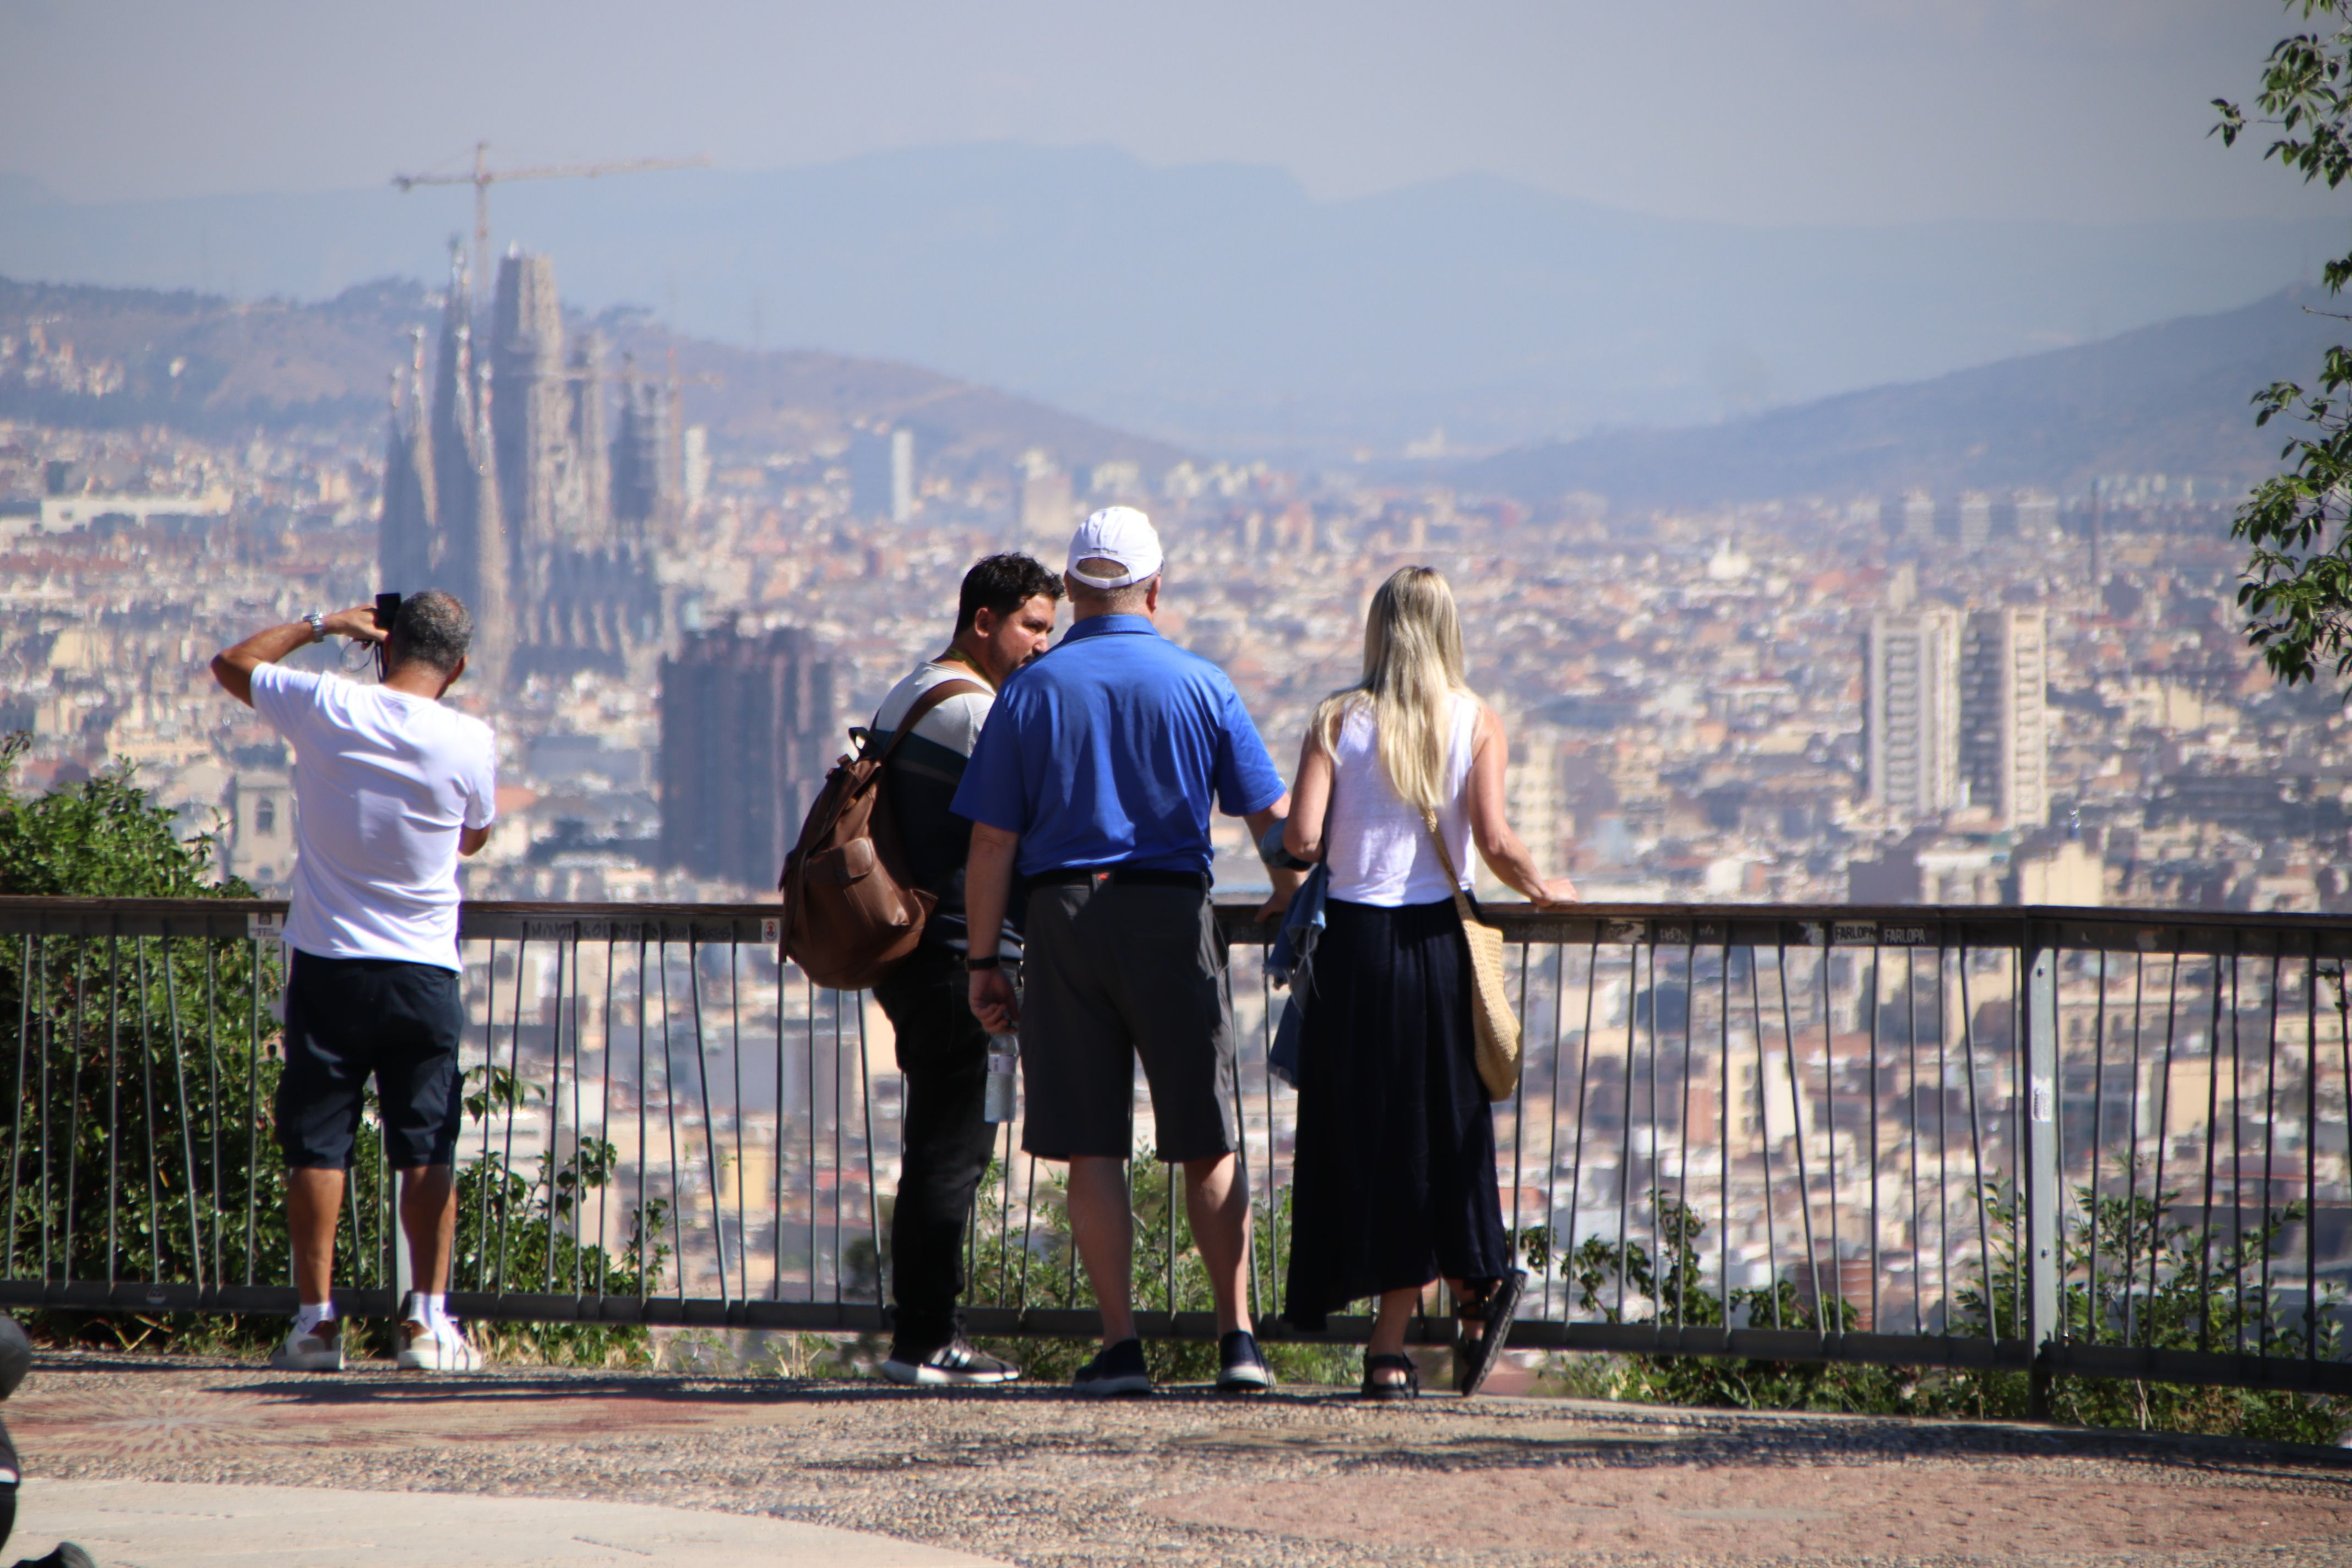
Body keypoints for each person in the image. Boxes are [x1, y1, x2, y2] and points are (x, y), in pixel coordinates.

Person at [954, 507, 1299, 1397]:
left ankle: (1121, 1348)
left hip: (1063, 912)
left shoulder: (1030, 691)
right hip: (1170, 911)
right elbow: (1273, 826)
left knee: (1092, 1145)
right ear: (1156, 586)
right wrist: (1293, 896)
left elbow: (992, 844)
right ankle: (1239, 1342)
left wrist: (984, 962)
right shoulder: (1201, 683)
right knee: (1206, 1136)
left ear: (1069, 591)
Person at [1275, 565, 1576, 1398]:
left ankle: (1400, 1339)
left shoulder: (1337, 719)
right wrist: (1547, 889)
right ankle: (1458, 1297)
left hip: (1353, 952)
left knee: (1361, 1134)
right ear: (1448, 629)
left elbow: (1302, 838)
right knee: (1442, 1126)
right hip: (1439, 946)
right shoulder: (1475, 719)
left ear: (1378, 629)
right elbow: (1497, 838)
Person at [210, 591, 496, 1374]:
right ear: (460, 665)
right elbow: (473, 834)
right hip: (424, 968)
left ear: (384, 643)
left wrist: (320, 625)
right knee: (427, 1143)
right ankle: (429, 1325)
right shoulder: (470, 739)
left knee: (319, 1144)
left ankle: (315, 1324)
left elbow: (232, 664)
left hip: (330, 962)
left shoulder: (327, 704)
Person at [871, 553, 1064, 1386]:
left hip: (911, 953)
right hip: (960, 958)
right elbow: (1025, 825)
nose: (1041, 648)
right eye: (1031, 627)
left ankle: (919, 1332)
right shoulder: (978, 712)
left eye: (1051, 630)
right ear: (983, 622)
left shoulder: (909, 690)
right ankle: (927, 1339)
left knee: (934, 1148)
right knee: (954, 1154)